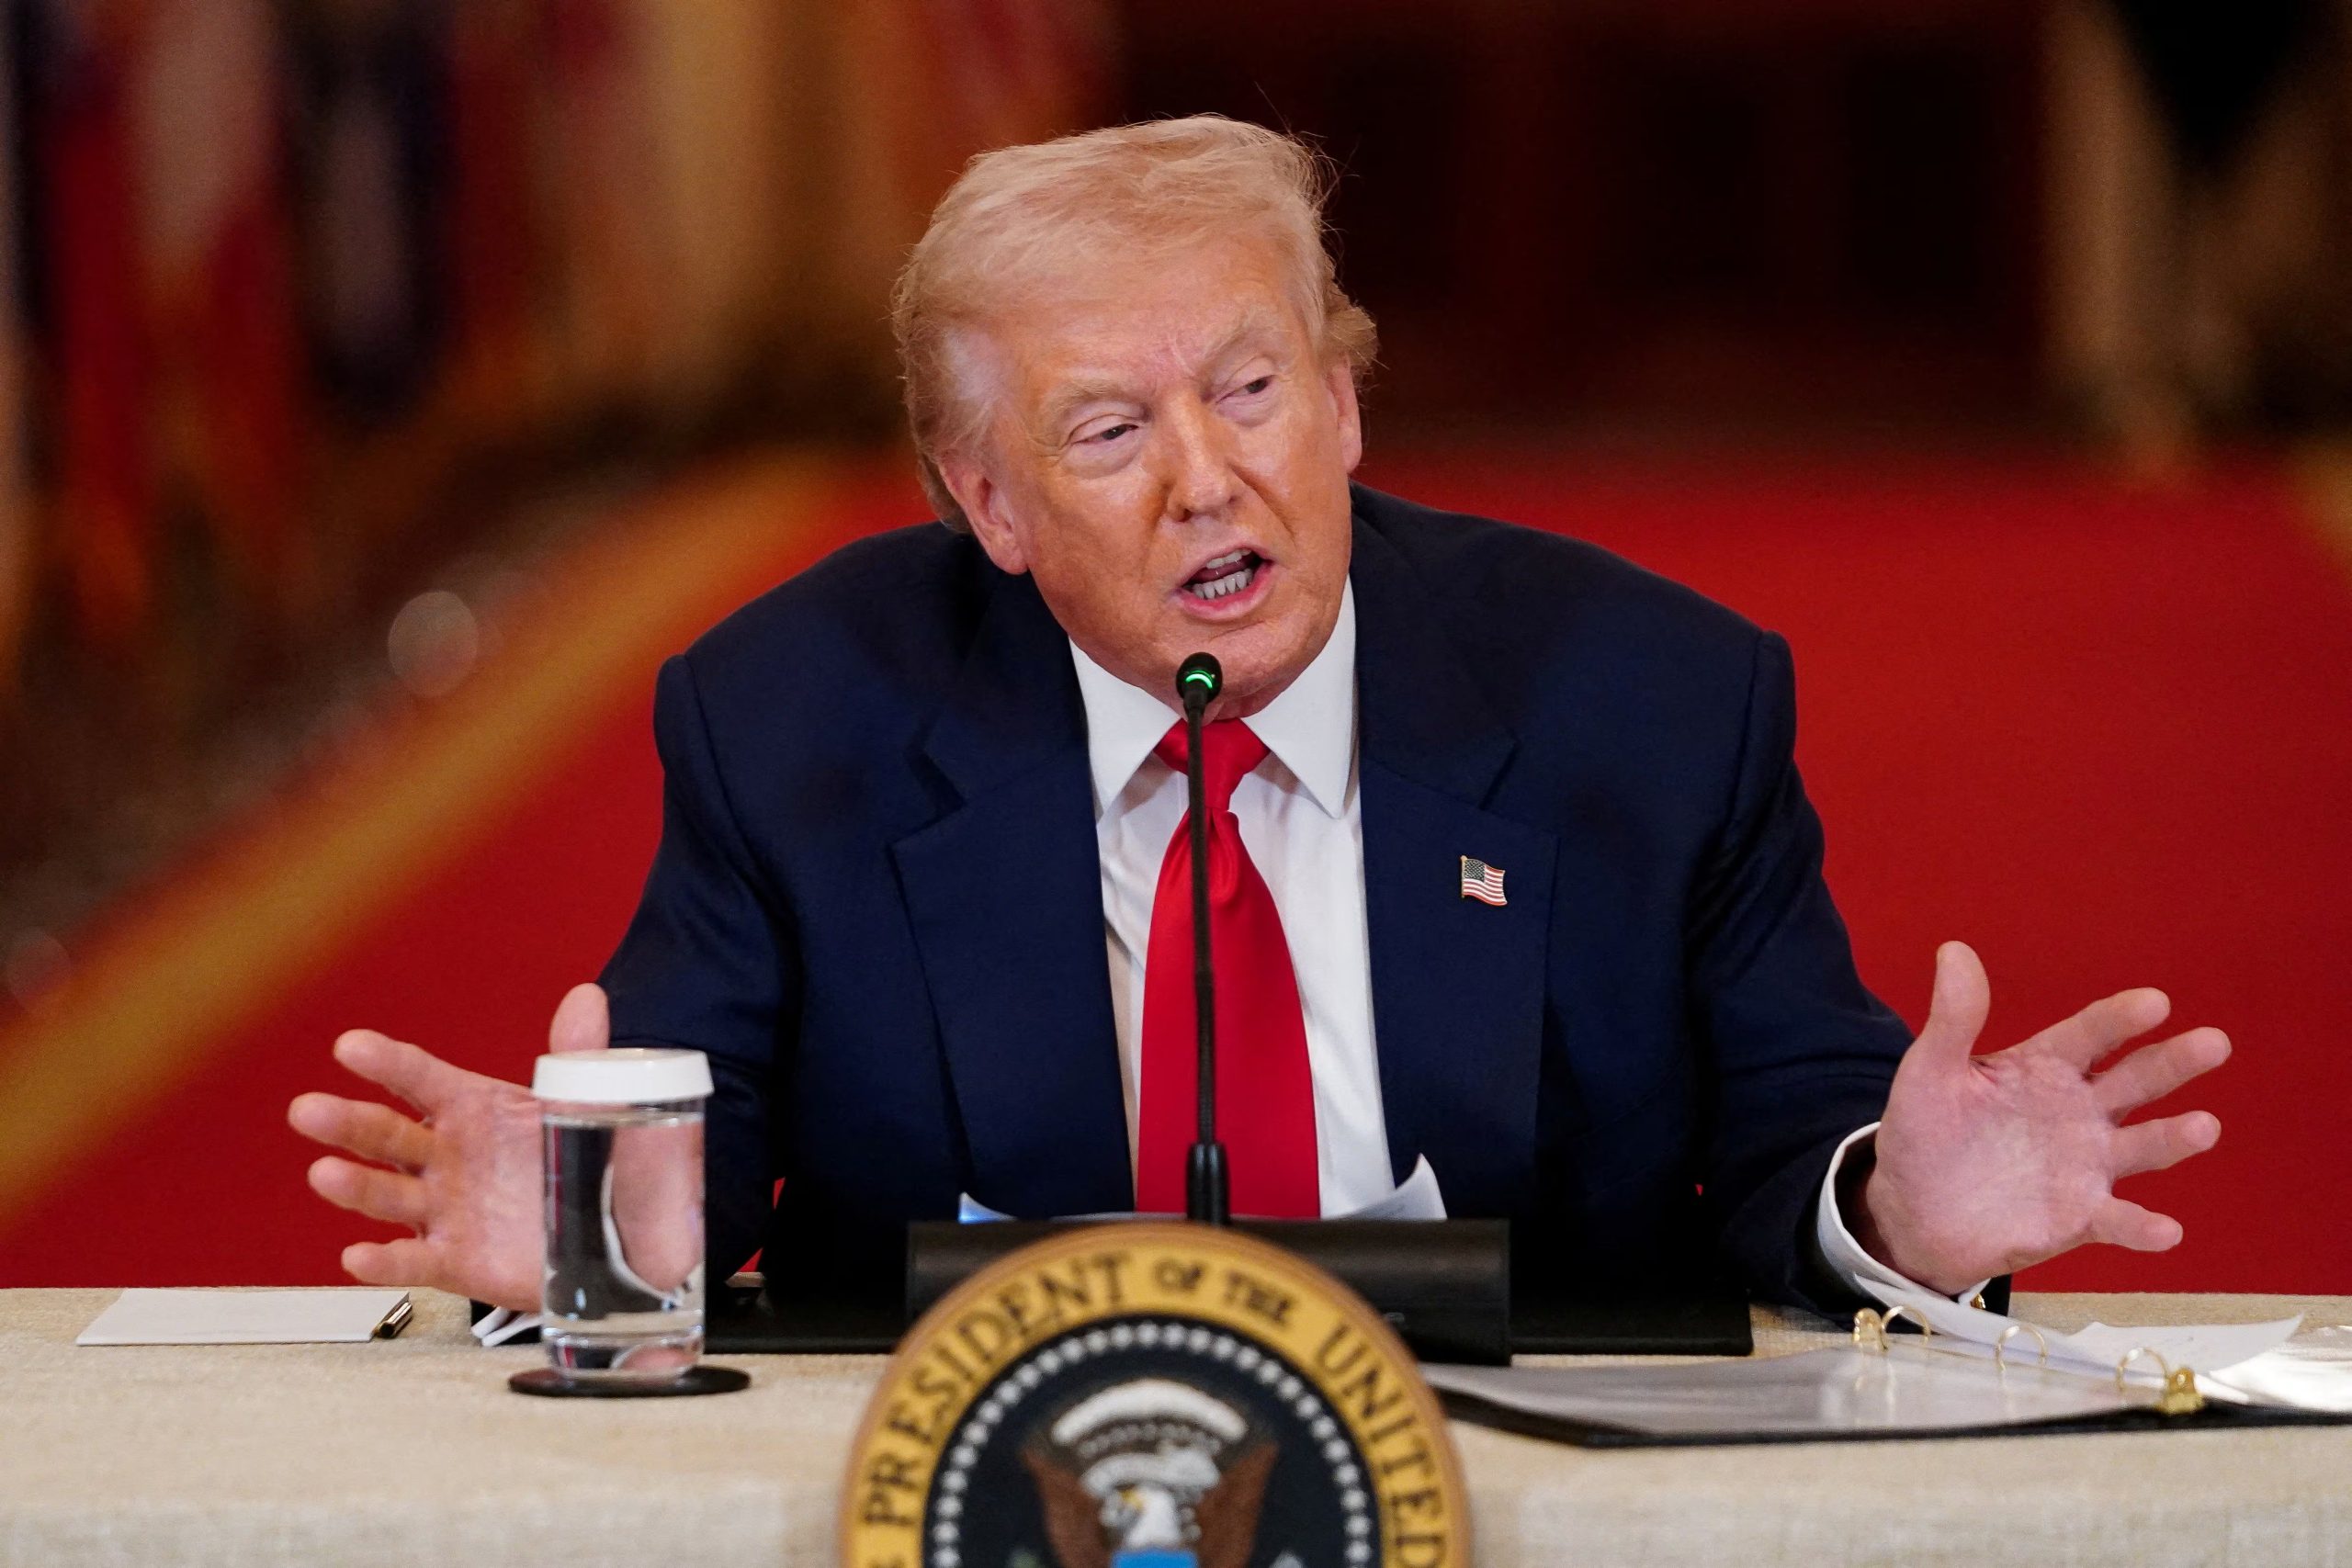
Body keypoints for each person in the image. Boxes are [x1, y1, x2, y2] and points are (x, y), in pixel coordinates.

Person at [288, 117, 2228, 1317]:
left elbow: (1804, 1132)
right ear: (989, 504)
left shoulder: (1650, 697)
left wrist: (1899, 1205)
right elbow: (677, 1171)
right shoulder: (791, 715)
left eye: (1251, 389)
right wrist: (598, 1239)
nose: (1206, 481)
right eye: (1107, 432)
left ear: (1347, 403)